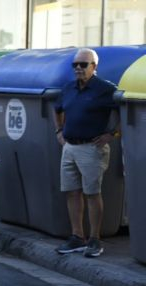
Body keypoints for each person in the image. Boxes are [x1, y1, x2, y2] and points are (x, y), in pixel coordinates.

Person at [54, 48, 119, 258]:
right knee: (71, 191)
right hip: (70, 147)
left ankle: (95, 239)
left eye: (84, 64)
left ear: (95, 66)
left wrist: (113, 133)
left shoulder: (105, 89)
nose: (79, 69)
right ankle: (77, 237)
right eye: (75, 65)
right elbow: (57, 109)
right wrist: (59, 131)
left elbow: (122, 111)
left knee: (92, 193)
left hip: (92, 148)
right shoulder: (68, 88)